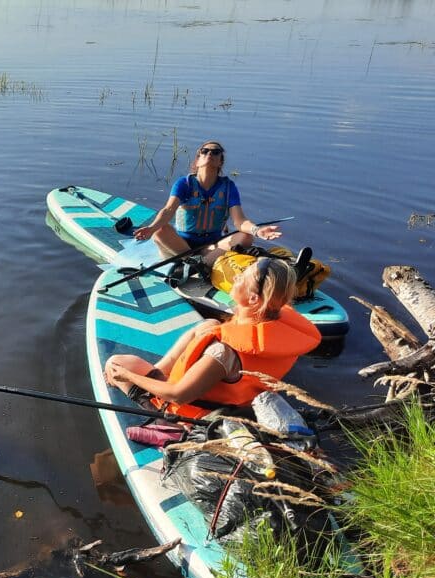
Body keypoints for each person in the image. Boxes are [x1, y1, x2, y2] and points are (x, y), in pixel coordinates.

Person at [104, 258, 320, 419]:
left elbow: (178, 395)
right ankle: (161, 371)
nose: (235, 278)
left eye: (242, 278)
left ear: (253, 299)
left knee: (116, 363)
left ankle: (155, 403)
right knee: (210, 324)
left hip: (196, 413)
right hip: (242, 401)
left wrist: (128, 376)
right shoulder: (278, 326)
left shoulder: (223, 352)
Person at [132, 140, 282, 266]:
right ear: (197, 160)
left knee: (246, 237)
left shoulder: (228, 187)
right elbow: (168, 210)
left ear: (220, 161)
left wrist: (257, 230)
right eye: (204, 151)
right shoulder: (184, 184)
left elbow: (240, 221)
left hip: (211, 246)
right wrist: (151, 228)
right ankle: (198, 263)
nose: (209, 154)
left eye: (215, 152)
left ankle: (199, 264)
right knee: (160, 230)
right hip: (181, 245)